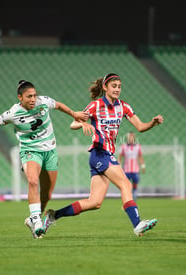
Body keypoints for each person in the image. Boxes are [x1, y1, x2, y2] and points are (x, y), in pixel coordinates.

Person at [0, 80, 88, 239]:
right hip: (30, 151)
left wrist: (74, 114)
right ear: (20, 97)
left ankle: (32, 219)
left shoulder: (43, 102)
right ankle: (36, 221)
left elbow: (59, 105)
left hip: (50, 150)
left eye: (34, 95)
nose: (33, 99)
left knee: (47, 194)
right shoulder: (13, 113)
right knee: (33, 181)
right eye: (29, 96)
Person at [43, 73, 164, 236]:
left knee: (95, 202)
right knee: (126, 185)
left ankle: (53, 215)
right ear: (105, 87)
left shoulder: (123, 107)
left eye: (119, 87)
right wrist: (83, 124)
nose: (117, 89)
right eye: (114, 86)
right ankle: (137, 225)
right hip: (100, 153)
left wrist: (153, 123)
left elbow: (140, 127)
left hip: (103, 155)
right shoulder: (95, 105)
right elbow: (73, 123)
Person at [118, 132, 145, 201]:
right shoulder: (123, 147)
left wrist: (143, 166)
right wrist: (119, 167)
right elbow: (120, 157)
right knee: (126, 184)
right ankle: (127, 197)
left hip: (135, 170)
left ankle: (134, 195)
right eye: (130, 137)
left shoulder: (138, 146)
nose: (131, 139)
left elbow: (140, 157)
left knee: (135, 183)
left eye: (132, 137)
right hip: (126, 170)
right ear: (127, 138)